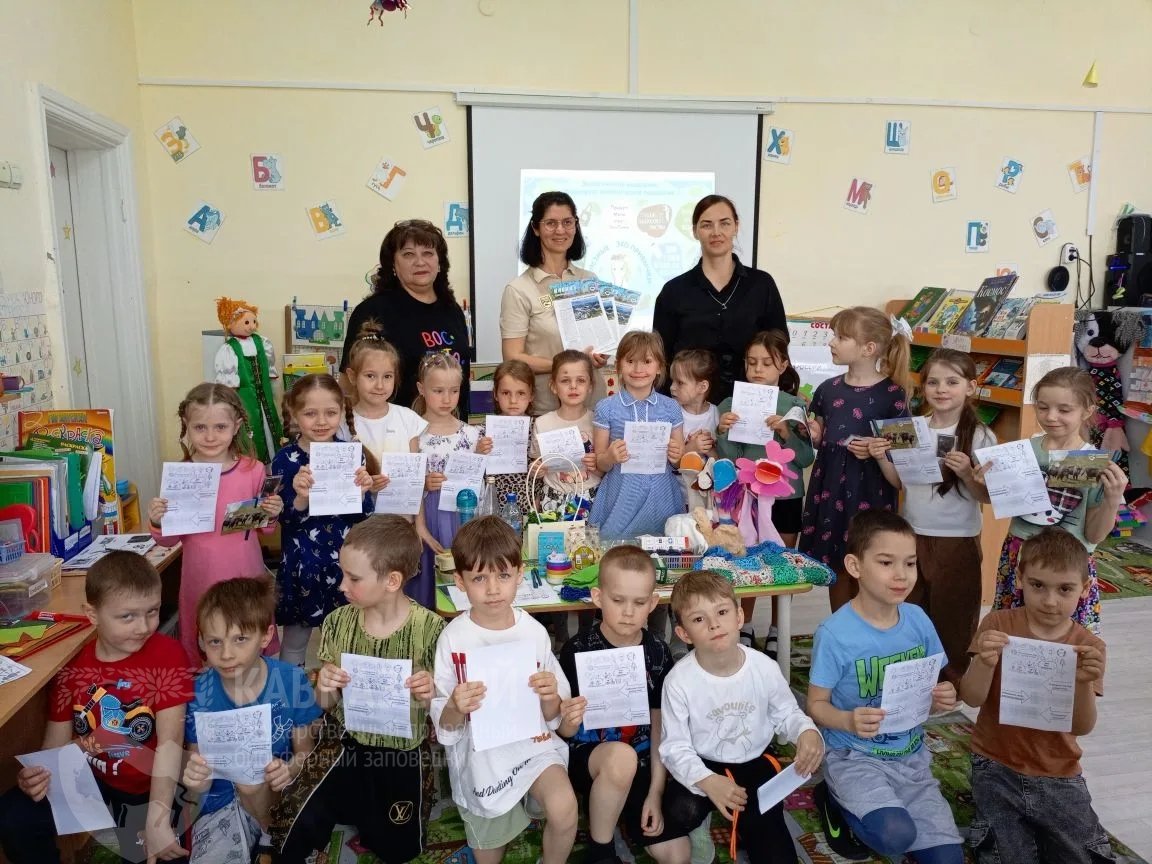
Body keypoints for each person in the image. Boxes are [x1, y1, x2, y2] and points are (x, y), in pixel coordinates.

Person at [0, 552, 195, 864]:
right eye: (127, 617)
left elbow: (171, 744)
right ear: (92, 614)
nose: (144, 626)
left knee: (161, 851)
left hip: (151, 788)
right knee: (14, 817)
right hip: (93, 783)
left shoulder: (168, 656)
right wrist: (35, 775)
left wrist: (158, 818)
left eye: (152, 611)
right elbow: (54, 747)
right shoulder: (72, 667)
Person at [275, 516, 446, 863]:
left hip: (401, 752)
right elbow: (325, 703)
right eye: (343, 574)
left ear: (392, 581)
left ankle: (373, 819)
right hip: (345, 744)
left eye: (353, 578)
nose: (342, 585)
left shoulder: (430, 629)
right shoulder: (337, 623)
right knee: (292, 828)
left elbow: (442, 713)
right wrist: (325, 686)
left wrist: (431, 692)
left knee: (399, 850)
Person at [807, 511, 964, 863]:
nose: (901, 575)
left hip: (910, 756)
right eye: (885, 562)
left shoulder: (918, 619)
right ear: (855, 566)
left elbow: (933, 686)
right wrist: (847, 721)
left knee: (948, 859)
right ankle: (833, 797)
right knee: (894, 837)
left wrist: (943, 696)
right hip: (853, 755)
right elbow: (815, 704)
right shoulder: (835, 634)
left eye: (910, 563)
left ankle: (873, 803)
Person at [959, 528, 1112, 864]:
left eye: (1065, 589)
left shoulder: (1089, 648)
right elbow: (971, 697)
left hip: (1058, 769)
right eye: (1038, 585)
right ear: (1019, 579)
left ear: (1085, 589)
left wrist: (1083, 683)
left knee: (1084, 856)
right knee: (1005, 855)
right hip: (995, 763)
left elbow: (1081, 726)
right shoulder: (997, 625)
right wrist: (984, 662)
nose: (1050, 601)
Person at [431, 517, 578, 864]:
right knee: (489, 853)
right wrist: (455, 705)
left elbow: (555, 717)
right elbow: (446, 727)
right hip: (482, 758)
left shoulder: (534, 632)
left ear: (519, 574)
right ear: (460, 581)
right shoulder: (453, 639)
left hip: (533, 746)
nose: (493, 589)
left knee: (565, 808)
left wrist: (551, 697)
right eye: (479, 578)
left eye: (503, 575)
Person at [660, 570, 824, 864]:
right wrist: (708, 781)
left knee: (776, 855)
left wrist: (806, 731)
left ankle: (748, 823)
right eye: (698, 619)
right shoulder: (678, 681)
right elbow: (674, 747)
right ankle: (701, 823)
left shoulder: (764, 668)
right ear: (684, 634)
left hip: (755, 763)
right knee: (680, 811)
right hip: (704, 762)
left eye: (722, 612)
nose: (714, 624)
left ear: (739, 617)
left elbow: (787, 712)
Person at [557, 546, 696, 864]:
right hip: (590, 759)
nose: (628, 612)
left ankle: (618, 808)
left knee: (678, 855)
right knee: (621, 759)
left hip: (644, 763)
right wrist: (568, 718)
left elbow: (661, 728)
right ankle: (601, 851)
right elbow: (563, 732)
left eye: (639, 603)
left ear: (653, 603)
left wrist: (655, 793)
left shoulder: (658, 652)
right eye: (618, 600)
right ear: (597, 597)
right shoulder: (576, 650)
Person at [867, 348, 995, 683]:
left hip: (958, 539)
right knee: (910, 610)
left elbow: (987, 497)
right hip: (912, 535)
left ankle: (951, 686)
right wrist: (881, 458)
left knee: (954, 615)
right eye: (933, 382)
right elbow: (900, 483)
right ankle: (911, 680)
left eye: (952, 382)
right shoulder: (911, 428)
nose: (941, 389)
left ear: (970, 387)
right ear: (923, 388)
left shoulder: (980, 435)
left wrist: (966, 474)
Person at [181, 577, 321, 861]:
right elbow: (198, 771)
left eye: (240, 639)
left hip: (281, 794)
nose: (226, 654)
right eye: (215, 642)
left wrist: (290, 769)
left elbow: (305, 753)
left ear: (266, 636)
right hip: (222, 802)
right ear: (202, 641)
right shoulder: (198, 694)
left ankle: (271, 836)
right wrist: (196, 778)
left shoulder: (292, 682)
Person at [148, 383, 285, 666]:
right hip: (201, 578)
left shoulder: (253, 470)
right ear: (186, 425)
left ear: (236, 426)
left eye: (220, 427)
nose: (210, 437)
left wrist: (272, 511)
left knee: (249, 639)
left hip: (246, 575)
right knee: (207, 649)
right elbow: (168, 540)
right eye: (200, 428)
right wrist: (157, 521)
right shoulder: (182, 475)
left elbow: (266, 529)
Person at [989, 366, 1128, 635]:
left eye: (1064, 410)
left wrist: (1112, 499)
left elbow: (1094, 534)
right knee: (1013, 632)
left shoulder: (1094, 461)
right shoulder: (1025, 451)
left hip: (1070, 565)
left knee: (1065, 639)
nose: (1051, 417)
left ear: (1087, 410)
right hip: (1022, 555)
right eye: (1043, 408)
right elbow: (998, 500)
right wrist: (985, 480)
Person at [799, 307, 911, 611]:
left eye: (841, 337)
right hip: (830, 489)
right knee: (837, 567)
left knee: (871, 561)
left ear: (868, 348)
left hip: (871, 493)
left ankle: (873, 626)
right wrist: (813, 434)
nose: (832, 343)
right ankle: (841, 625)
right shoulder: (827, 389)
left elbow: (905, 459)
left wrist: (877, 450)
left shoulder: (895, 395)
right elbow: (821, 439)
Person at [715, 329, 813, 653]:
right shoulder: (730, 403)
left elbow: (805, 458)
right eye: (752, 362)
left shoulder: (794, 406)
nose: (758, 369)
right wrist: (724, 431)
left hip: (786, 496)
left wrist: (786, 432)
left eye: (767, 363)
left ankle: (777, 627)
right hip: (748, 497)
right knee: (747, 562)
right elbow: (730, 457)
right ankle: (744, 625)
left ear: (783, 365)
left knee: (782, 564)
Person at [273, 374, 376, 666]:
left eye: (330, 413)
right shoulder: (285, 459)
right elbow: (284, 519)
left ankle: (343, 692)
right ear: (295, 414)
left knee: (348, 638)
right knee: (295, 642)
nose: (321, 421)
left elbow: (363, 517)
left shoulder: (352, 455)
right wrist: (300, 497)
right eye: (310, 413)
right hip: (302, 563)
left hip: (344, 564)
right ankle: (293, 692)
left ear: (342, 412)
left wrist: (363, 492)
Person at [653, 195, 787, 405]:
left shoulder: (761, 285)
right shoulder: (674, 291)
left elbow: (778, 346)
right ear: (695, 231)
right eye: (707, 225)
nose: (716, 232)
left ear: (736, 227)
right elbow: (660, 358)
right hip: (689, 409)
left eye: (724, 223)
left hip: (750, 408)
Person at [340, 219, 470, 412]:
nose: (420, 262)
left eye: (428, 253)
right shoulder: (372, 312)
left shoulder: (452, 309)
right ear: (393, 264)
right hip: (392, 427)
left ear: (439, 263)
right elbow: (349, 384)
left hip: (451, 424)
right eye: (408, 254)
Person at [500, 191, 608, 414]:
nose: (560, 230)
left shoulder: (589, 280)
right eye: (551, 223)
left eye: (567, 222)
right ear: (535, 228)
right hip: (546, 407)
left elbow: (598, 340)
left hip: (592, 405)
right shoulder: (519, 289)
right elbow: (513, 357)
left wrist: (601, 355)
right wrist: (565, 367)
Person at [590, 331, 686, 540]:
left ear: (659, 366)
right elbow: (600, 464)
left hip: (661, 494)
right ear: (618, 365)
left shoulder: (671, 407)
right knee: (615, 549)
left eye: (647, 361)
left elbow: (680, 462)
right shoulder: (606, 407)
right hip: (621, 493)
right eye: (630, 361)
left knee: (664, 549)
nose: (638, 369)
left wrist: (677, 455)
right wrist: (610, 456)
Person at [414, 352, 491, 609]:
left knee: (464, 569)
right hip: (428, 515)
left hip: (463, 514)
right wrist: (424, 484)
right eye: (438, 391)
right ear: (421, 389)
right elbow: (406, 481)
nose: (447, 399)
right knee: (430, 570)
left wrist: (479, 456)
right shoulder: (414, 434)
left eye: (454, 391)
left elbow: (478, 480)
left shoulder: (471, 434)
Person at [343, 320, 428, 466]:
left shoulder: (408, 419)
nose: (380, 385)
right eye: (370, 376)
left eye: (387, 376)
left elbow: (415, 472)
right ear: (352, 376)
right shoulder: (341, 423)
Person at [531, 349, 602, 514]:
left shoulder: (599, 421)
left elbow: (605, 468)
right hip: (552, 498)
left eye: (581, 380)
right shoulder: (542, 423)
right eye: (565, 381)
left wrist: (596, 465)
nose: (573, 386)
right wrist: (536, 469)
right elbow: (536, 462)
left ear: (590, 386)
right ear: (553, 386)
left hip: (592, 497)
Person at [213, 296, 283, 463]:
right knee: (250, 426)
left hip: (264, 394)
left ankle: (273, 461)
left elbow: (269, 369)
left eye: (253, 322)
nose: (251, 326)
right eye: (246, 322)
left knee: (270, 423)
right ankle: (254, 464)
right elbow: (228, 382)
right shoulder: (229, 349)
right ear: (230, 324)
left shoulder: (262, 342)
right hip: (245, 397)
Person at [478, 359, 536, 504]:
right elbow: (474, 471)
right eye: (505, 393)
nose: (513, 400)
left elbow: (544, 467)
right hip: (494, 501)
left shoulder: (538, 428)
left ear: (531, 395)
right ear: (495, 394)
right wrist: (478, 452)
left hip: (529, 500)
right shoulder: (484, 430)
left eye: (521, 393)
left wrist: (540, 469)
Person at [669, 349, 719, 512]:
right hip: (680, 496)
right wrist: (692, 447)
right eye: (672, 381)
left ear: (702, 386)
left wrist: (710, 449)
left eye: (680, 383)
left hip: (709, 498)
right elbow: (673, 462)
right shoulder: (672, 413)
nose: (672, 388)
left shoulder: (715, 413)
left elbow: (719, 461)